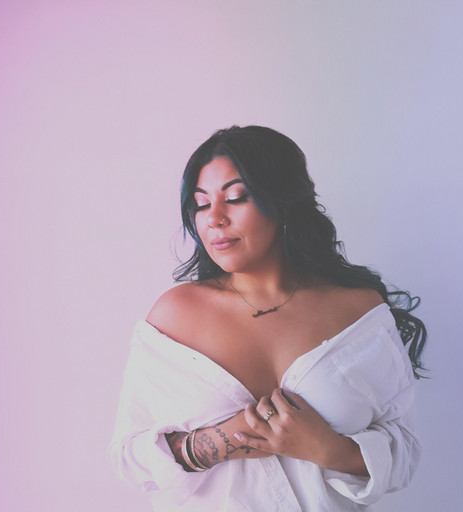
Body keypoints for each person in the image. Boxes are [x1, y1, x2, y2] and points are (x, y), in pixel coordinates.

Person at [108, 125, 427, 511]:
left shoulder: (358, 312)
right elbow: (127, 457)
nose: (215, 218)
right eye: (202, 204)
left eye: (235, 198)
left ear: (282, 204)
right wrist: (217, 442)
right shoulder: (174, 316)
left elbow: (404, 449)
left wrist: (328, 449)